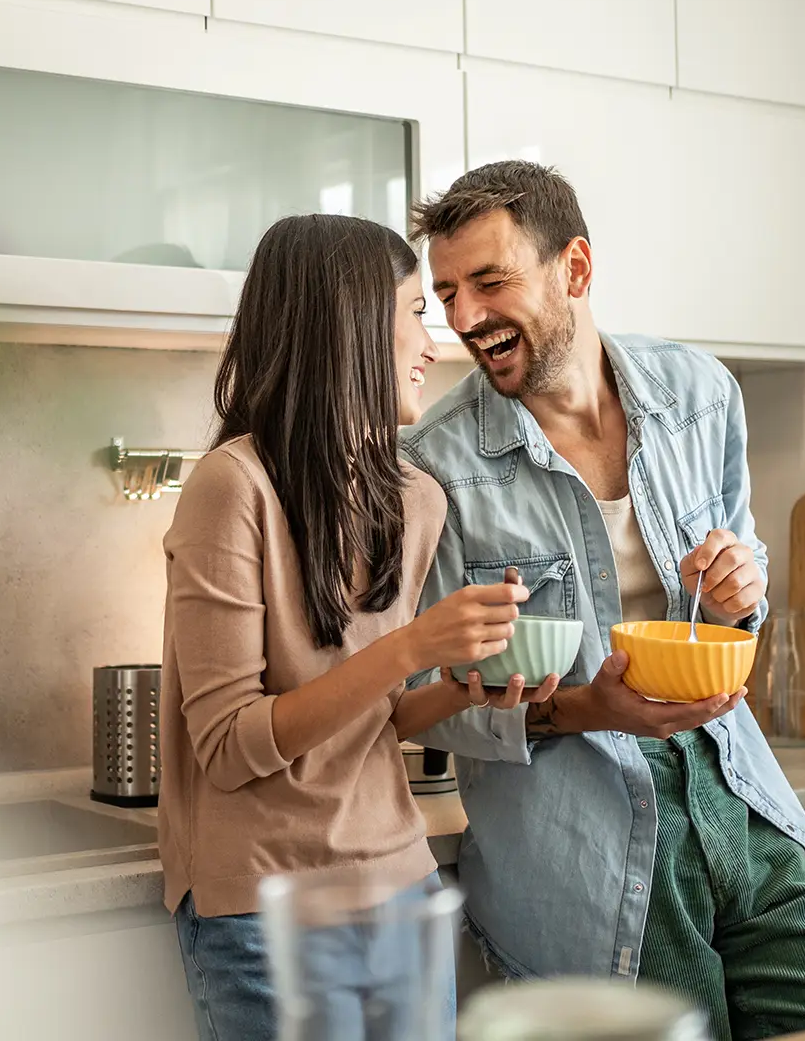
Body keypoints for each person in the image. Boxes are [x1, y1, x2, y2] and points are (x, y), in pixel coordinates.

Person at [401, 163, 805, 1040]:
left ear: (575, 269)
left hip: (740, 793)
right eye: (446, 292)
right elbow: (425, 703)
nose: (464, 319)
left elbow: (736, 601)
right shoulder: (437, 466)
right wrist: (595, 709)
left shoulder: (701, 396)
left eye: (489, 281)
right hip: (588, 849)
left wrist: (744, 588)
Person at [158, 213, 556, 1041]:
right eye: (415, 311)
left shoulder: (415, 498)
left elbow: (375, 716)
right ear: (345, 327)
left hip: (401, 886)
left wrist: (456, 686)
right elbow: (231, 745)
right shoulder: (233, 489)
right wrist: (412, 646)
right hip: (266, 910)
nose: (434, 342)